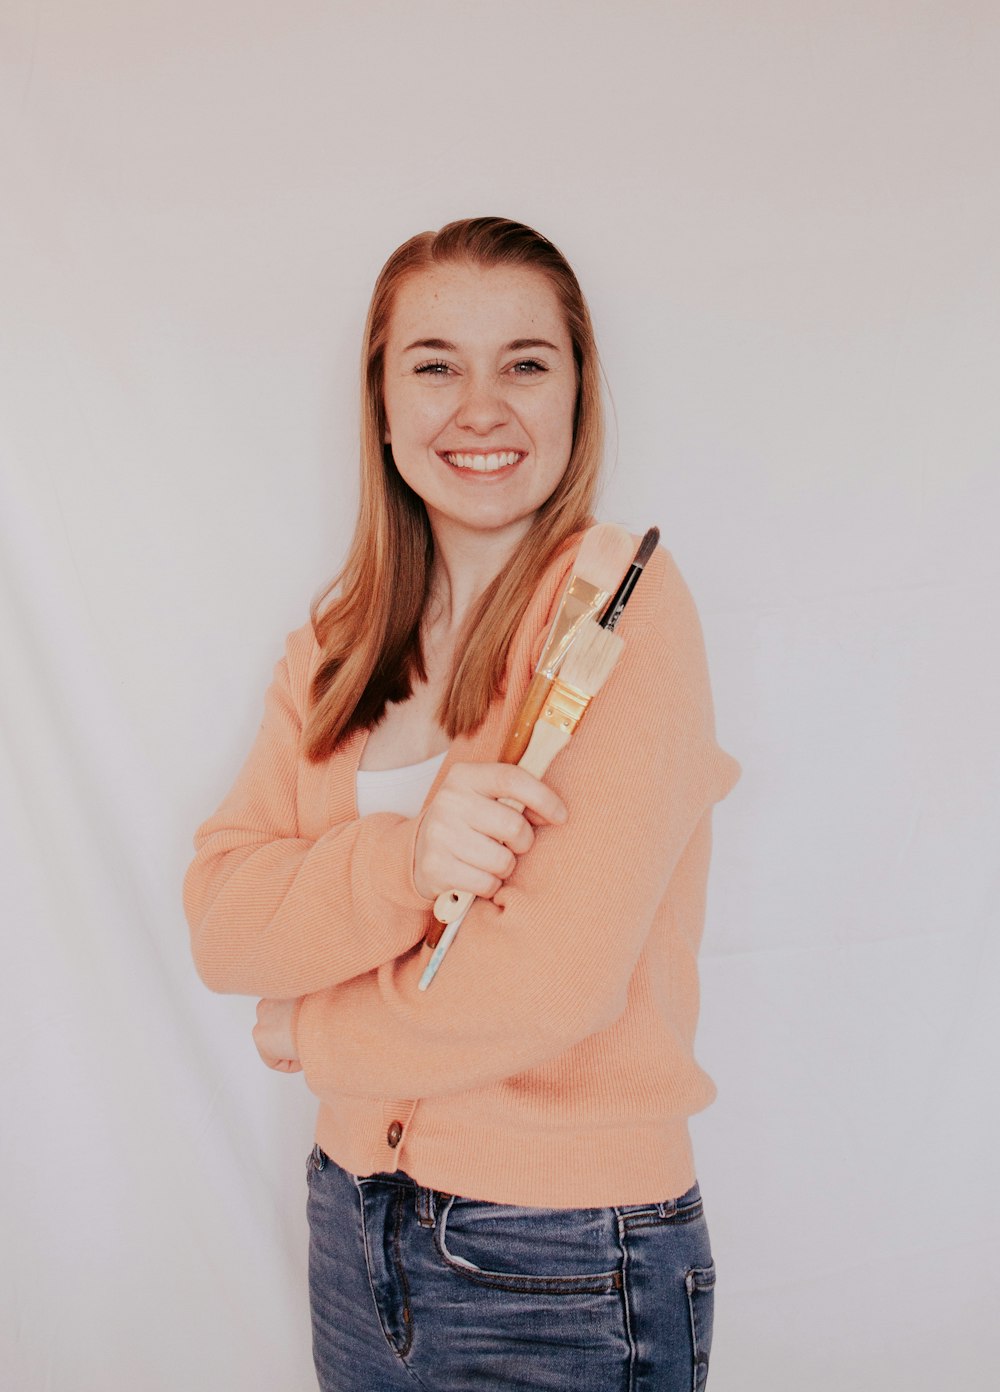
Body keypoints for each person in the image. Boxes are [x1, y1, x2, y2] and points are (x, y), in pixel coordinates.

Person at [183, 216, 740, 1392]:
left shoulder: (619, 610)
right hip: (349, 1224)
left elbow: (551, 983)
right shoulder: (334, 648)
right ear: (382, 406)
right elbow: (224, 920)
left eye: (524, 364)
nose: (478, 408)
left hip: (563, 1262)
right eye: (434, 364)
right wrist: (403, 859)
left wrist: (311, 1031)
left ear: (578, 398)